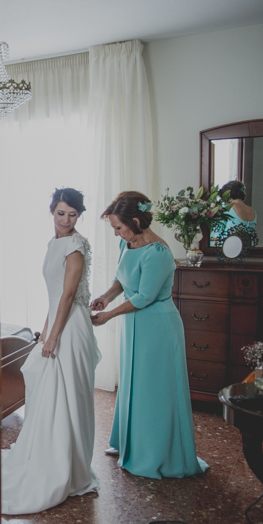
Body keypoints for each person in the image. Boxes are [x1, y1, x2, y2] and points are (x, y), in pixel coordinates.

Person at [90, 191, 208, 479]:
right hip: (135, 324)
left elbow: (144, 296)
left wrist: (109, 315)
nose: (116, 233)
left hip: (157, 326)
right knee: (133, 382)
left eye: (118, 227)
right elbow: (122, 278)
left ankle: (154, 452)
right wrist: (106, 297)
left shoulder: (159, 252)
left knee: (153, 388)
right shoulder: (127, 243)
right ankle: (128, 442)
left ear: (135, 220)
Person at [1, 188, 102, 515]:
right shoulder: (54, 243)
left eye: (73, 215)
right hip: (58, 323)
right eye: (61, 213)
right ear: (52, 212)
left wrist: (54, 336)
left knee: (69, 396)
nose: (66, 220)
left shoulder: (75, 245)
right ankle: (51, 455)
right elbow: (53, 294)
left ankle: (69, 468)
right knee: (50, 393)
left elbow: (69, 295)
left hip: (72, 330)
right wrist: (44, 331)